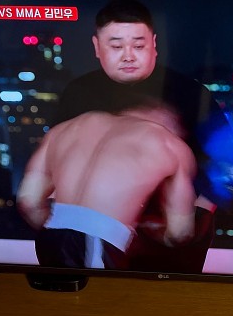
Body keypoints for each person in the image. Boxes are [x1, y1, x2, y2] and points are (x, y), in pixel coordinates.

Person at [55, 0, 231, 273]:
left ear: (154, 44)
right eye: (116, 46)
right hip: (96, 236)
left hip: (172, 240)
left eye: (138, 45)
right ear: (97, 47)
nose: (128, 55)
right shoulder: (78, 94)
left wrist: (197, 218)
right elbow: (57, 163)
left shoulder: (190, 93)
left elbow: (226, 164)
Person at [17, 100, 197, 269]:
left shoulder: (67, 127)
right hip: (96, 244)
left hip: (50, 239)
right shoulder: (170, 143)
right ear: (169, 118)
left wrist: (63, 230)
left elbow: (28, 202)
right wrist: (147, 233)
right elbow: (179, 233)